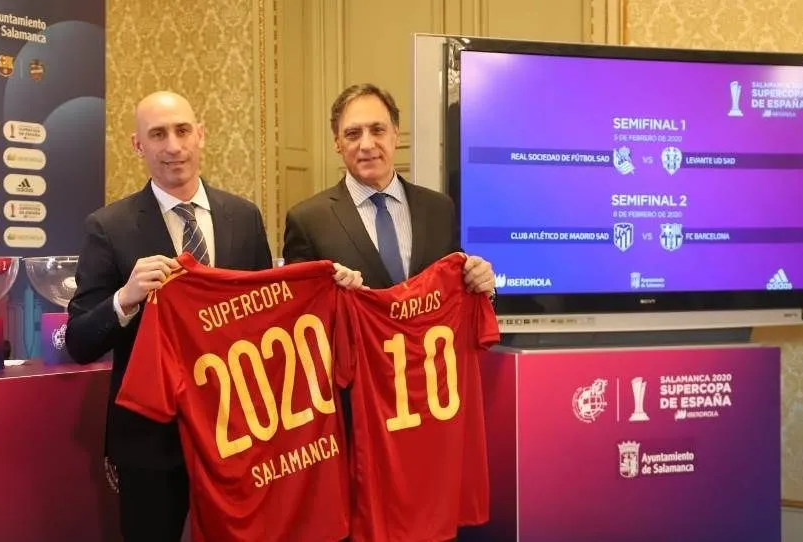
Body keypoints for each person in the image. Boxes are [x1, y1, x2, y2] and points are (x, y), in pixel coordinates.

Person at [64, 90, 359, 542]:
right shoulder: (108, 227)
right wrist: (125, 298)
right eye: (157, 135)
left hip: (240, 434)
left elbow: (271, 317)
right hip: (152, 441)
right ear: (137, 145)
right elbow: (80, 341)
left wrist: (329, 289)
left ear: (200, 135)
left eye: (182, 131)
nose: (173, 146)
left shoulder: (243, 216)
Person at [282, 83, 496, 294]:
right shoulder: (308, 222)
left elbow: (457, 294)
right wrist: (330, 293)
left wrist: (482, 286)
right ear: (337, 142)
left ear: (396, 134)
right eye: (353, 134)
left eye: (377, 130)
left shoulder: (439, 209)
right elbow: (298, 306)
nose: (367, 145)